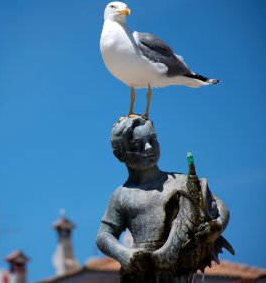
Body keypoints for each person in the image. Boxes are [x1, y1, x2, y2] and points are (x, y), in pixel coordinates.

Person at [96, 116, 230, 282]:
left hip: (179, 269)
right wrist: (125, 255)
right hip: (142, 272)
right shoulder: (121, 195)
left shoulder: (180, 182)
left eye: (153, 140)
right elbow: (103, 236)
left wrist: (216, 227)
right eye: (137, 145)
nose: (148, 148)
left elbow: (219, 206)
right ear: (119, 154)